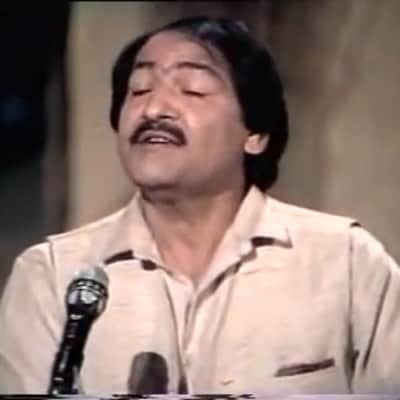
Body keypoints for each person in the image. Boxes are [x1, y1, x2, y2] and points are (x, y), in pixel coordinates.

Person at [0, 16, 399, 395]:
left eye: (192, 90)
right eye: (139, 90)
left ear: (255, 134)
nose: (153, 110)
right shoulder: (52, 276)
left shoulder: (344, 262)